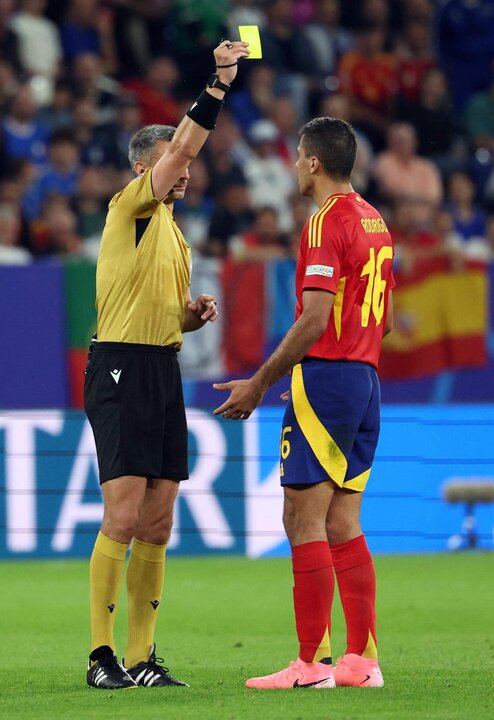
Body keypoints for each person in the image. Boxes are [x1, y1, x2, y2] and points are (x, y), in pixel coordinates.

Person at [83, 38, 249, 690]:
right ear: (140, 168)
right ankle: (101, 658)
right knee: (122, 515)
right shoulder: (131, 208)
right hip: (119, 365)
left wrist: (190, 317)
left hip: (161, 366)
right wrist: (220, 83)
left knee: (158, 518)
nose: (183, 171)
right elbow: (185, 144)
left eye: (180, 164)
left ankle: (143, 657)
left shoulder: (173, 232)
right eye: (168, 163)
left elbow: (155, 306)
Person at [214, 116, 394, 689]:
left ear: (314, 163)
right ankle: (360, 663)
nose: (294, 165)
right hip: (366, 378)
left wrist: (261, 382)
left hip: (327, 381)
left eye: (297, 156)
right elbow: (382, 321)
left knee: (302, 516)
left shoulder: (325, 221)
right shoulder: (376, 221)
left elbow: (315, 318)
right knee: (343, 519)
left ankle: (310, 665)